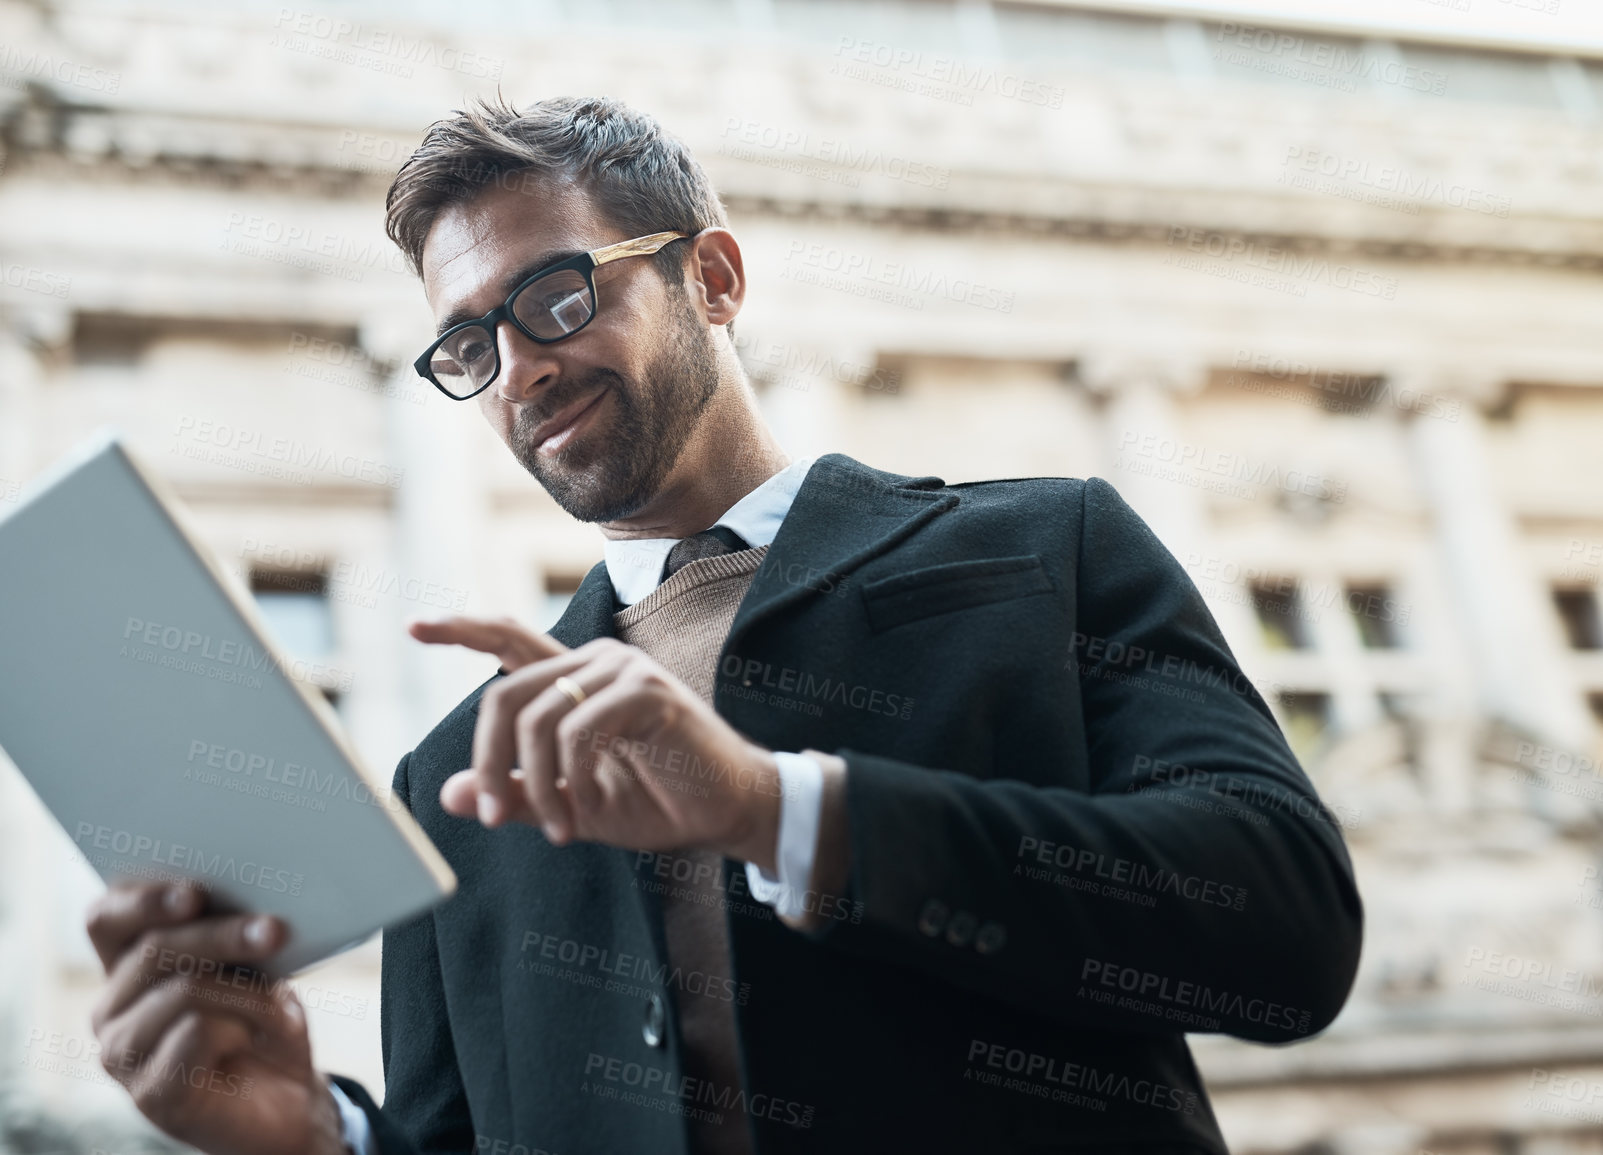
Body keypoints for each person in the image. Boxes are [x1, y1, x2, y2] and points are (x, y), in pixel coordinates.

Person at [85, 95, 1363, 1155]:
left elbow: (1284, 932)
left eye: (557, 296)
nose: (518, 365)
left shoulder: (1042, 548)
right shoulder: (459, 779)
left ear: (713, 275)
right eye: (466, 344)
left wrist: (773, 809)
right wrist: (312, 1135)